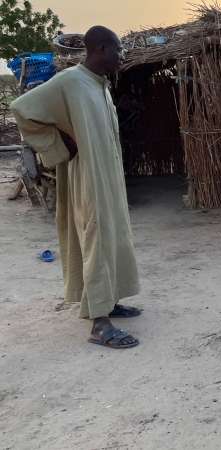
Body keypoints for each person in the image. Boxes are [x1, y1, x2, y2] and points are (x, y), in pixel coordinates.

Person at [11, 26, 141, 349]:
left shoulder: (101, 86)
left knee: (114, 236)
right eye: (117, 49)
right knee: (96, 240)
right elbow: (23, 110)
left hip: (109, 177)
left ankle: (109, 300)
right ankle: (100, 323)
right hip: (88, 179)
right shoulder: (70, 81)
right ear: (100, 48)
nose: (121, 56)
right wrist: (61, 146)